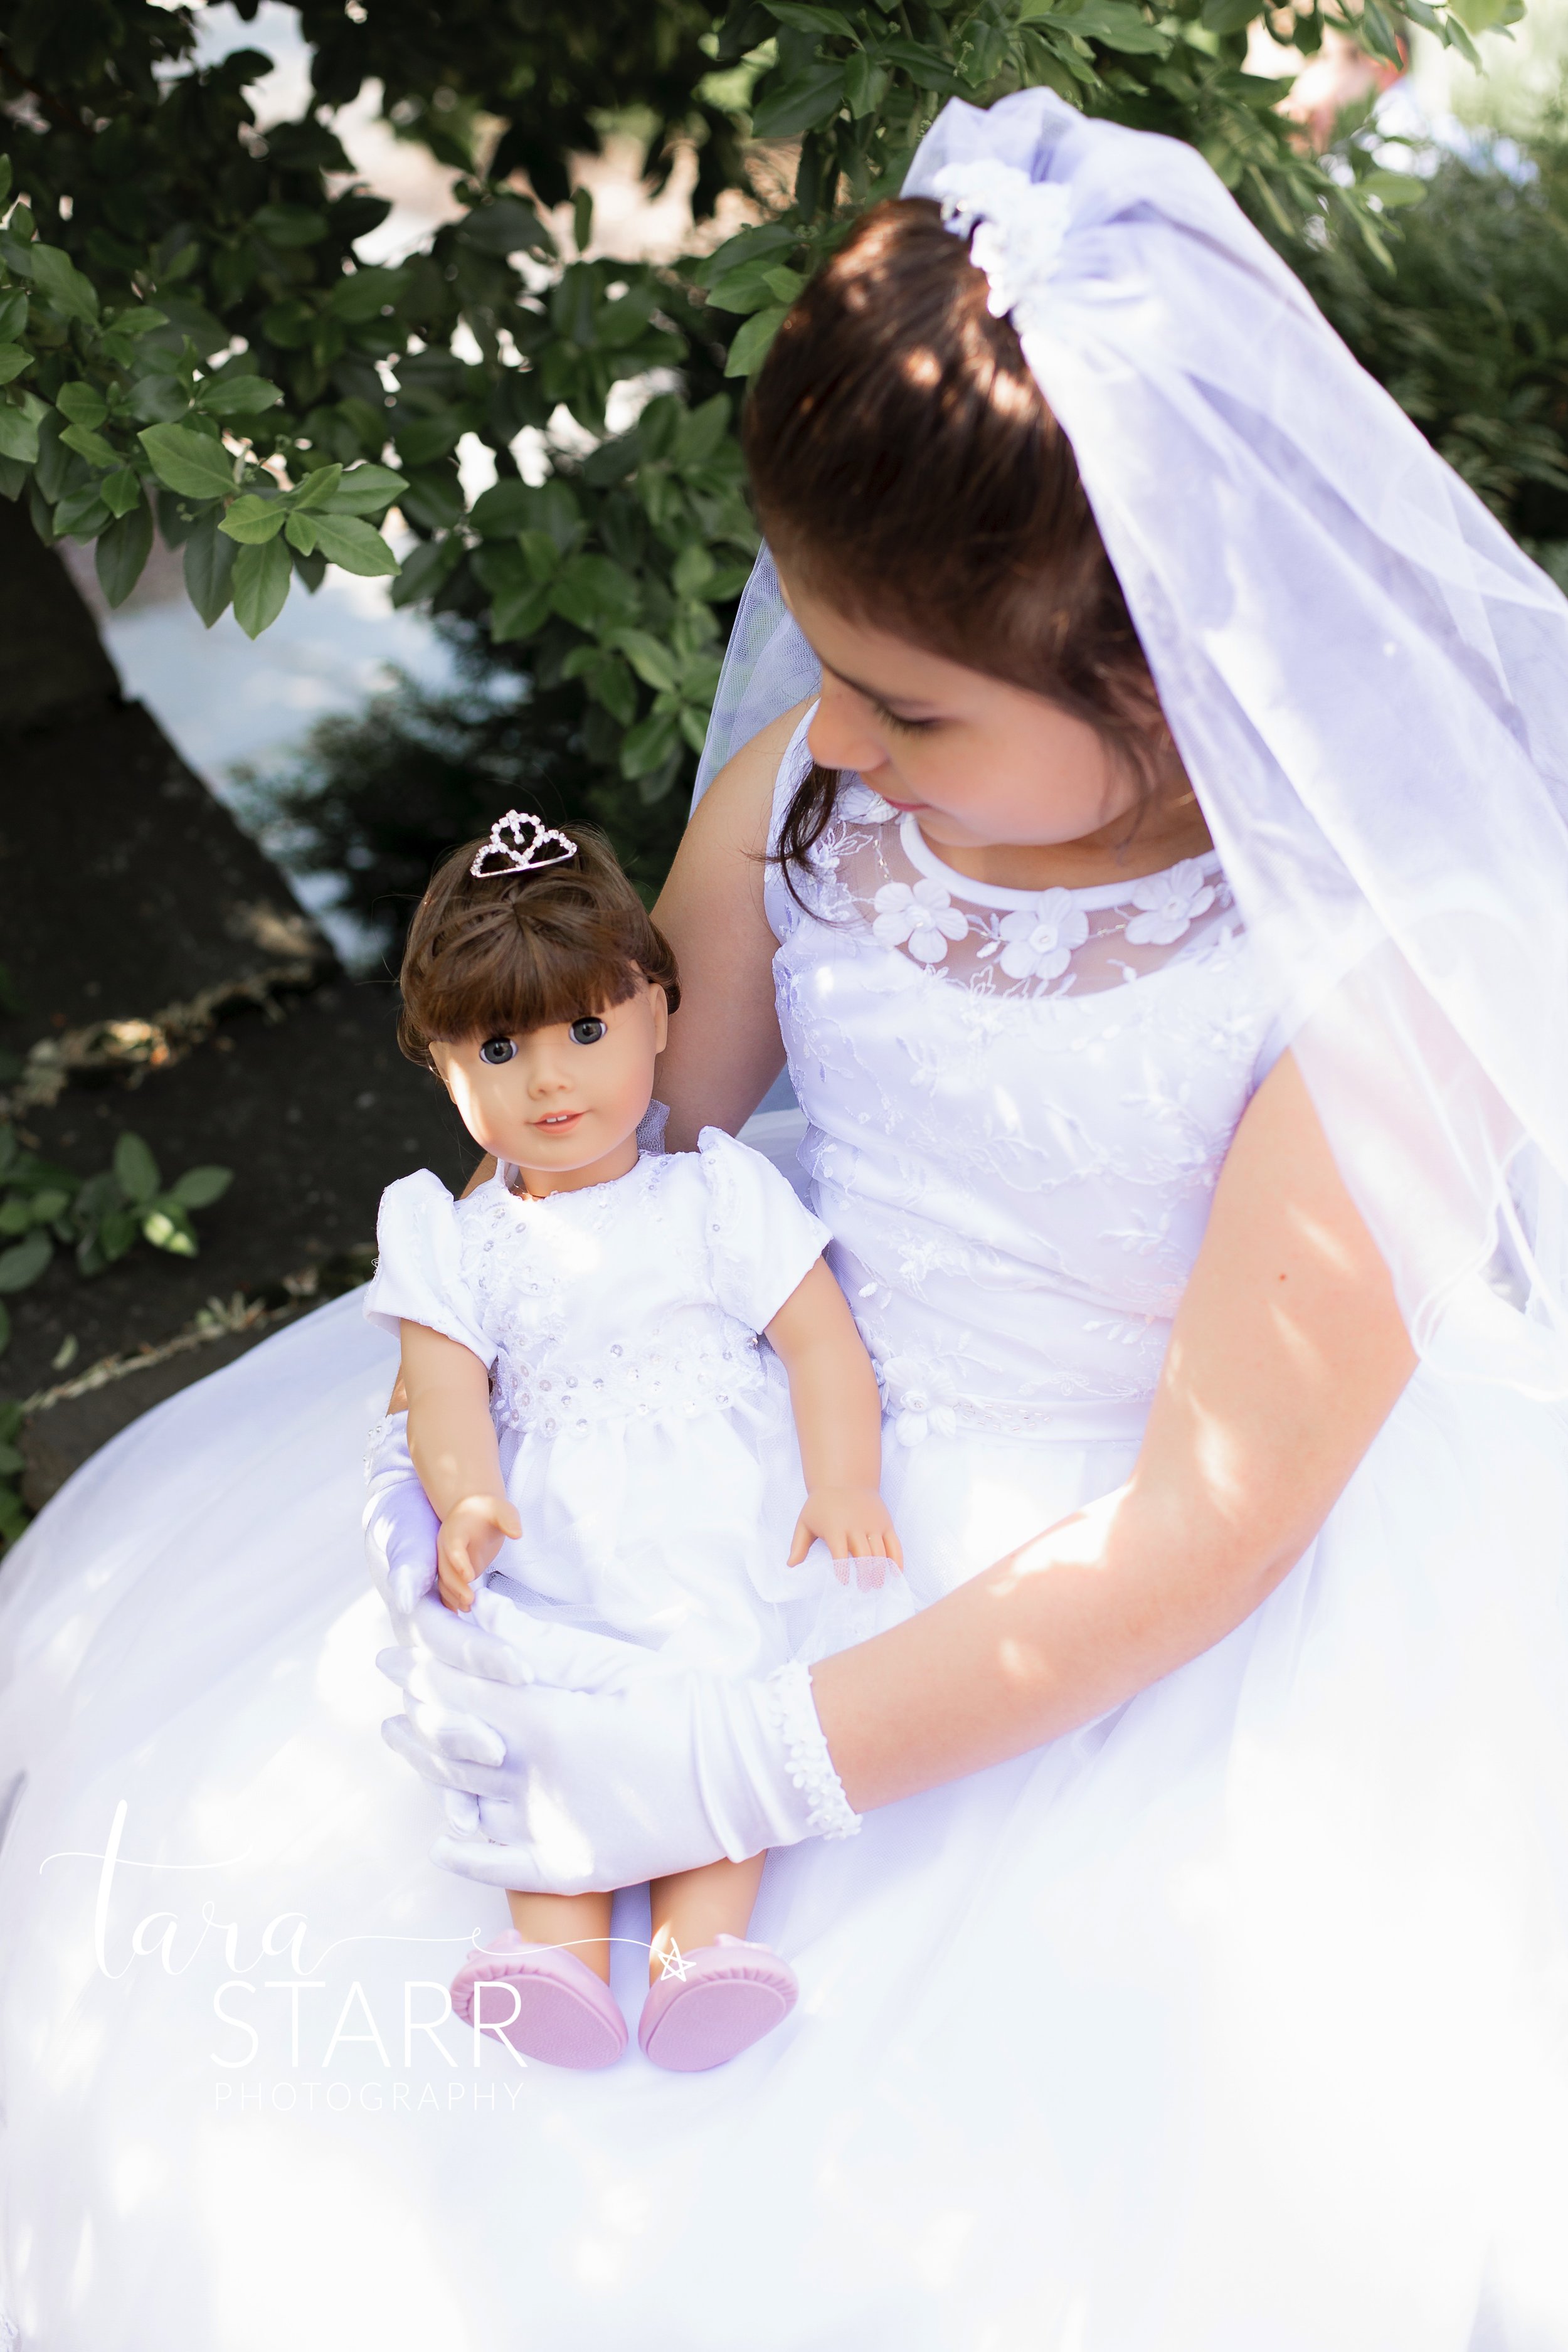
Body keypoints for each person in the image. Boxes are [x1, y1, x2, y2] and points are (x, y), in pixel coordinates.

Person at [2, 86, 1567, 2352]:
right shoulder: (813, 798)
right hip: (761, 1435)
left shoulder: (1353, 993)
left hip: (1123, 1589)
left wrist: (734, 1754)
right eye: (818, 657)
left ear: (1155, 671)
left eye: (910, 701)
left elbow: (1198, 1542)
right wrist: (467, 1404)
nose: (828, 725)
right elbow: (628, 1149)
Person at [368, 810, 906, 2071]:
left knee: (716, 1704)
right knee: (544, 1717)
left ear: (660, 1013)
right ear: (440, 1062)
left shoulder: (715, 1194)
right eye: (499, 1048)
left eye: (587, 1032)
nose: (550, 1081)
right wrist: (468, 1502)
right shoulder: (453, 1241)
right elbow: (440, 1393)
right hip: (550, 1522)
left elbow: (819, 1343)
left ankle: (695, 1953)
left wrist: (839, 1481)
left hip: (718, 1511)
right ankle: (547, 1953)